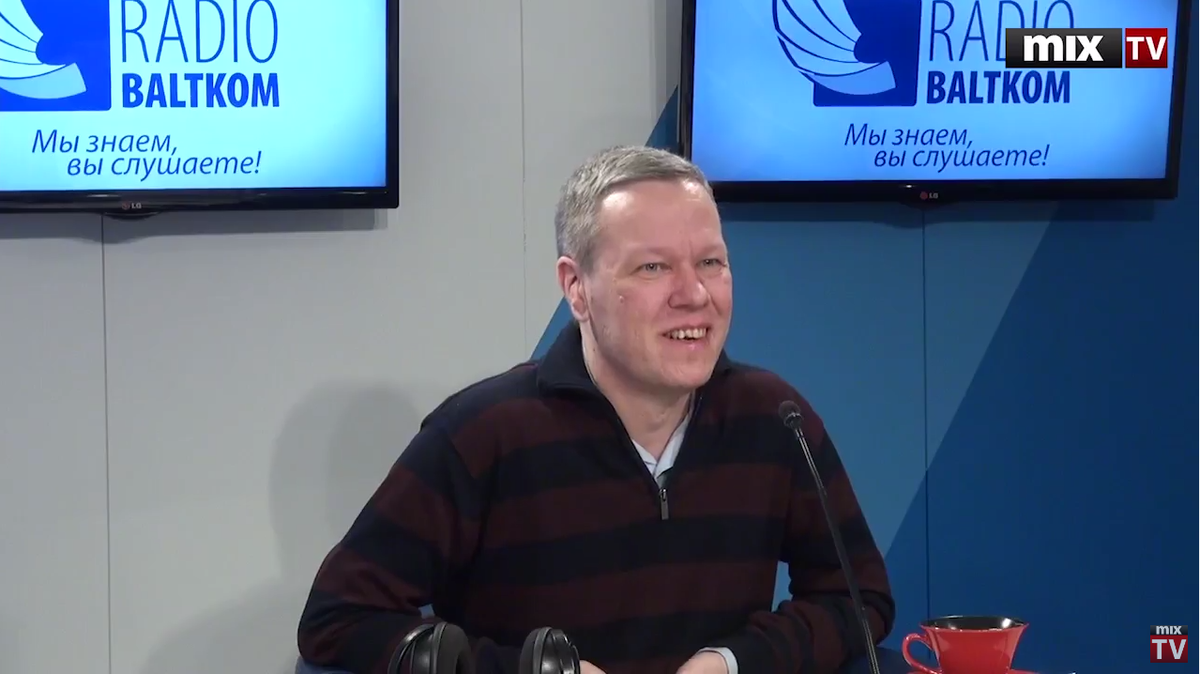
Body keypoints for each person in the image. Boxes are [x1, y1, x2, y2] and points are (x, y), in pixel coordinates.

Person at [297, 146, 894, 674]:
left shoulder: (774, 420)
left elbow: (859, 598)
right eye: (654, 267)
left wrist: (735, 662)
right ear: (576, 288)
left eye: (711, 262)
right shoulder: (482, 434)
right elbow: (339, 618)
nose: (694, 294)